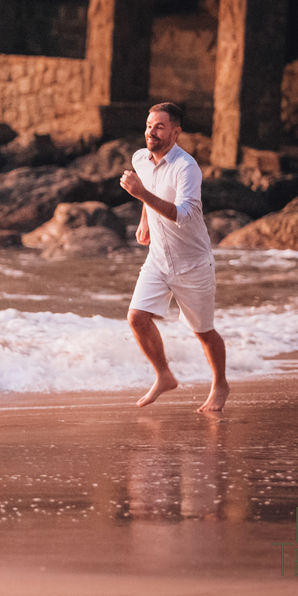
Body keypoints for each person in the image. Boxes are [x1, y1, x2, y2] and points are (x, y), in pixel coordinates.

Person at [118, 102, 229, 413]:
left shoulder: (187, 168)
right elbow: (149, 185)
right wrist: (144, 221)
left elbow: (184, 215)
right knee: (137, 318)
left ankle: (220, 383)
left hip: (192, 264)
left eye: (159, 127)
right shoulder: (141, 158)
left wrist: (140, 194)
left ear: (175, 133)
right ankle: (164, 375)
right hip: (158, 259)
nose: (151, 132)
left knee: (203, 332)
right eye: (149, 125)